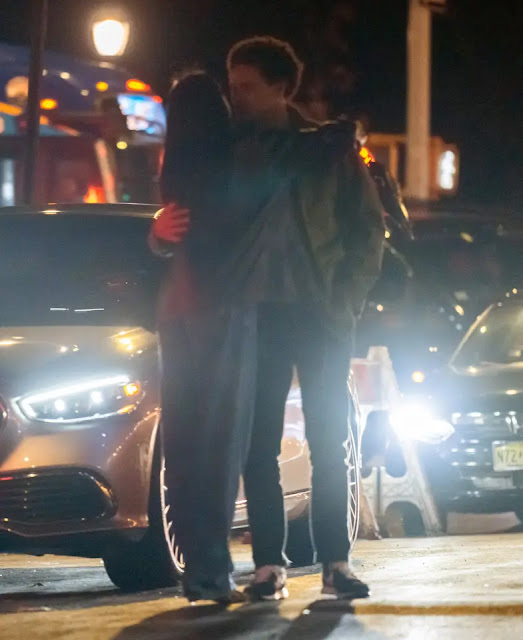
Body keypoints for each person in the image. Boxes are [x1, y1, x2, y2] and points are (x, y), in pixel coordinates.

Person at [226, 36, 385, 601]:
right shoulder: (235, 149)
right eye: (233, 86)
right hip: (260, 314)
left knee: (328, 439)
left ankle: (335, 561)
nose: (237, 96)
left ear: (280, 88)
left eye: (247, 86)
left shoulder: (328, 149)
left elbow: (368, 228)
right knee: (259, 442)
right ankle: (269, 565)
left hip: (320, 313)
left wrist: (347, 298)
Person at [149, 72, 257, 605]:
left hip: (177, 307)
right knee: (220, 439)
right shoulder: (234, 164)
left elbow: (170, 235)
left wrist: (155, 235)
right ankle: (213, 571)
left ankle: (196, 568)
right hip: (221, 307)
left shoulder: (174, 170)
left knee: (185, 441)